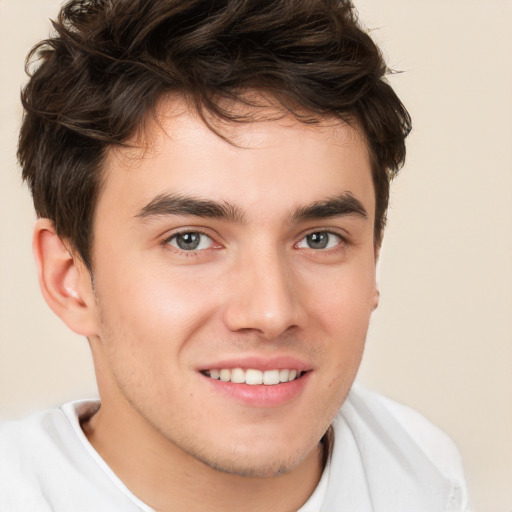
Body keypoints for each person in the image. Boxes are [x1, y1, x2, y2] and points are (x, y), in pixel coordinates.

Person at [0, 0, 470, 510]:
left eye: (319, 239)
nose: (270, 312)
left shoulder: (423, 472)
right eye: (190, 240)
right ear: (69, 278)